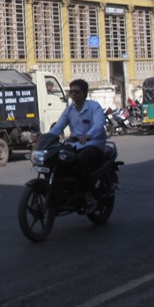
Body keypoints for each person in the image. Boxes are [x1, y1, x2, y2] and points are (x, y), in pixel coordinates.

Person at [45, 78, 107, 212]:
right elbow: (58, 127)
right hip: (76, 144)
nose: (73, 94)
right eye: (71, 91)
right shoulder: (69, 110)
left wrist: (88, 135)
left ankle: (88, 195)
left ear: (84, 93)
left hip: (93, 143)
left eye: (76, 91)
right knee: (55, 157)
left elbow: (98, 125)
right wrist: (46, 138)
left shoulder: (94, 107)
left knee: (81, 160)